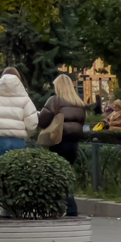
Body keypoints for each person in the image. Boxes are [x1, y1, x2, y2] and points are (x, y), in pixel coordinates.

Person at [38, 73, 87, 217]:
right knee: (66, 174)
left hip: (58, 142)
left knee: (55, 176)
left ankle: (67, 207)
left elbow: (43, 120)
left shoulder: (55, 101)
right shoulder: (79, 103)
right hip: (73, 144)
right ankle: (66, 207)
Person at [0, 67, 40, 159]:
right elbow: (32, 123)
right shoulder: (26, 100)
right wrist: (25, 134)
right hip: (18, 141)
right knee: (17, 170)